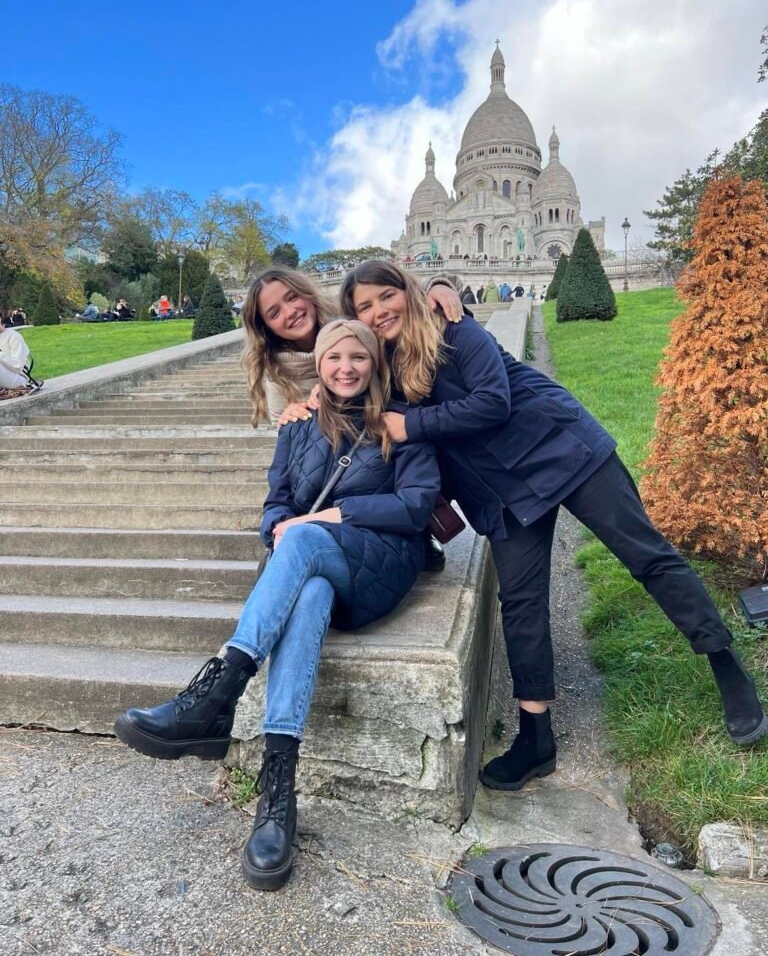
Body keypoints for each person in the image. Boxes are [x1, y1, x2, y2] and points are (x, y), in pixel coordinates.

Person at [341, 260, 767, 793]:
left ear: (408, 292)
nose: (378, 311)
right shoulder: (381, 374)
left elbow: (493, 402)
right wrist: (314, 398)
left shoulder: (456, 329)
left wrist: (416, 419)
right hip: (499, 491)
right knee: (520, 604)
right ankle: (535, 737)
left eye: (386, 296)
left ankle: (725, 664)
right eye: (364, 307)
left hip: (562, 451)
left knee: (647, 557)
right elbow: (331, 356)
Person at [114, 318, 440, 890]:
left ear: (374, 362)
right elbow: (276, 505)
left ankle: (218, 691)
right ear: (318, 364)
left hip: (380, 566)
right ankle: (278, 793)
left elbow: (416, 508)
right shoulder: (296, 427)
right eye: (334, 357)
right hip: (316, 572)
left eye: (357, 357)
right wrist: (279, 528)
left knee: (307, 537)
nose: (346, 368)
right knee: (308, 588)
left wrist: (325, 518)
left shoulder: (402, 421)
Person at [241, 266, 461, 573]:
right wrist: (293, 413)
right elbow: (291, 455)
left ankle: (419, 529)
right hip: (332, 451)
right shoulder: (276, 373)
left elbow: (388, 295)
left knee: (410, 437)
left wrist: (436, 286)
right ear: (266, 327)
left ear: (307, 293)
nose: (290, 312)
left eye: (293, 298)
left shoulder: (345, 318)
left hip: (380, 420)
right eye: (275, 312)